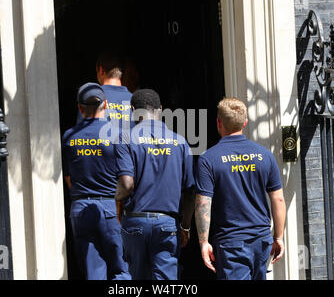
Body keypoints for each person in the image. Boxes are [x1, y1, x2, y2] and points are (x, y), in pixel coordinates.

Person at [194, 97, 286, 280]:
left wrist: (203, 242)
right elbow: (278, 199)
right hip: (261, 240)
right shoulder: (264, 155)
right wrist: (278, 236)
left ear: (218, 123)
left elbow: (203, 203)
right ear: (245, 123)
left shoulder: (208, 159)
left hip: (230, 243)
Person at [114, 89, 195, 280]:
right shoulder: (180, 142)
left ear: (133, 109)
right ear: (160, 109)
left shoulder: (125, 139)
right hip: (167, 223)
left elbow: (126, 185)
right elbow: (190, 190)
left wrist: (114, 201)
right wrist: (185, 226)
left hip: (135, 220)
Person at [62, 82, 131, 280]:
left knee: (93, 272)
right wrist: (116, 204)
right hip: (110, 206)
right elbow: (126, 182)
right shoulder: (117, 135)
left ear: (79, 107)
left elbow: (69, 179)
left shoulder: (69, 137)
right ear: (106, 104)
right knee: (121, 269)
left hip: (81, 207)